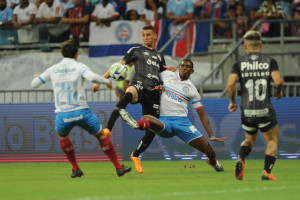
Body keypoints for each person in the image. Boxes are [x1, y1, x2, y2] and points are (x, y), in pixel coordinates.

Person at [31, 39, 131, 178]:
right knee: (101, 135)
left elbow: (34, 84)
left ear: (61, 53)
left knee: (62, 136)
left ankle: (76, 168)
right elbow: (91, 77)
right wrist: (107, 82)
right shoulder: (79, 67)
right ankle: (119, 168)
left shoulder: (53, 69)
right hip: (82, 112)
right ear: (77, 54)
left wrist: (38, 77)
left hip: (62, 115)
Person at [119, 58, 227, 172]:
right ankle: (136, 124)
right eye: (182, 65)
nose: (184, 68)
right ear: (179, 67)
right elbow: (150, 73)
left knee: (209, 151)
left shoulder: (192, 90)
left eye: (188, 67)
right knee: (147, 118)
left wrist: (210, 135)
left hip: (182, 123)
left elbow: (202, 115)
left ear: (192, 71)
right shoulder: (166, 75)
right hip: (165, 121)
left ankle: (213, 162)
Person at [92, 24, 174, 174]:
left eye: (148, 35)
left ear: (155, 36)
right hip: (139, 86)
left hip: (154, 94)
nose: (145, 38)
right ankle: (108, 129)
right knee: (128, 94)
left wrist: (168, 71)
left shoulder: (159, 56)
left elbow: (161, 74)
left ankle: (135, 155)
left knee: (152, 130)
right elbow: (116, 67)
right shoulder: (136, 51)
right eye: (143, 35)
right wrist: (100, 82)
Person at [227, 30, 284, 181]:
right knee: (272, 141)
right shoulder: (269, 61)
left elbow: (230, 85)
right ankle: (266, 171)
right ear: (261, 44)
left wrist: (232, 102)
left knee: (249, 140)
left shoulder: (239, 63)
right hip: (264, 109)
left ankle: (240, 159)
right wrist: (278, 92)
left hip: (246, 110)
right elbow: (278, 81)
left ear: (245, 46)